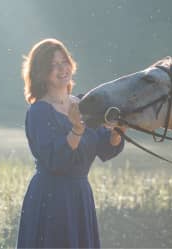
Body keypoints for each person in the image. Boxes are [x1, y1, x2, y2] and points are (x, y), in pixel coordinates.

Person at [17, 38, 126, 248]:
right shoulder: (39, 111)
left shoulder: (84, 104)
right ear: (41, 73)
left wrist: (118, 130)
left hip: (79, 195)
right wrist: (77, 130)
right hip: (51, 198)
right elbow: (56, 160)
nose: (62, 68)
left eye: (64, 61)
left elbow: (105, 148)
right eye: (53, 65)